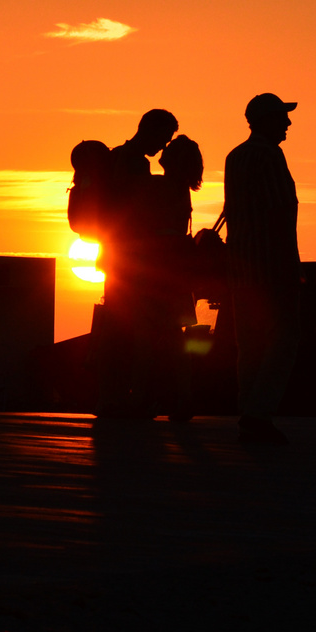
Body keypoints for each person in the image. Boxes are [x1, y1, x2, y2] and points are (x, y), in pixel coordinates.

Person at [223, 93, 301, 445]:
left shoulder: (234, 156)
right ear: (266, 120)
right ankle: (259, 413)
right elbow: (279, 212)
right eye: (281, 117)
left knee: (249, 345)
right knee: (284, 340)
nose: (287, 123)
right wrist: (291, 265)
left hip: (242, 267)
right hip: (270, 266)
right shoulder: (270, 155)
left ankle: (248, 411)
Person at [96, 108, 180, 417]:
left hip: (114, 255)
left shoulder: (117, 155)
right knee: (135, 329)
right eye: (164, 137)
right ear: (151, 130)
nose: (164, 146)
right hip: (130, 259)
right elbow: (135, 209)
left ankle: (111, 396)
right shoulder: (134, 162)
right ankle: (128, 398)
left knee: (118, 328)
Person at [148, 135, 205, 420]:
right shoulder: (182, 189)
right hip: (176, 271)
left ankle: (169, 397)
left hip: (159, 270)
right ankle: (180, 398)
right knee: (173, 336)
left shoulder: (159, 186)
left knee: (158, 335)